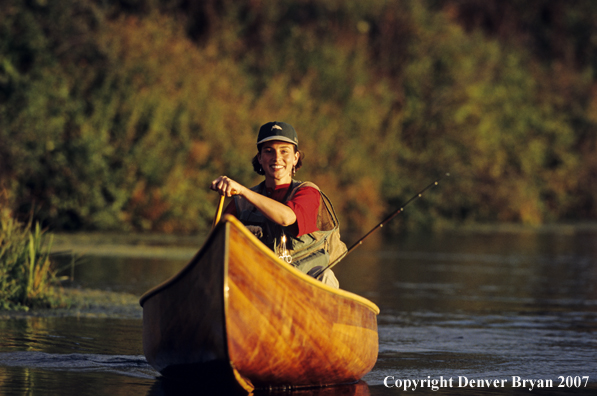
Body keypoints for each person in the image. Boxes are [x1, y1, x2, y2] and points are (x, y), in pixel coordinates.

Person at [211, 121, 345, 288]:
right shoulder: (240, 204)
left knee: (325, 276)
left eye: (284, 151)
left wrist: (242, 190)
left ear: (295, 158)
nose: (276, 158)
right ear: (259, 158)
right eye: (268, 151)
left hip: (305, 289)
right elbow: (217, 248)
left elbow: (286, 217)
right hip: (260, 288)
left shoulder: (309, 192)